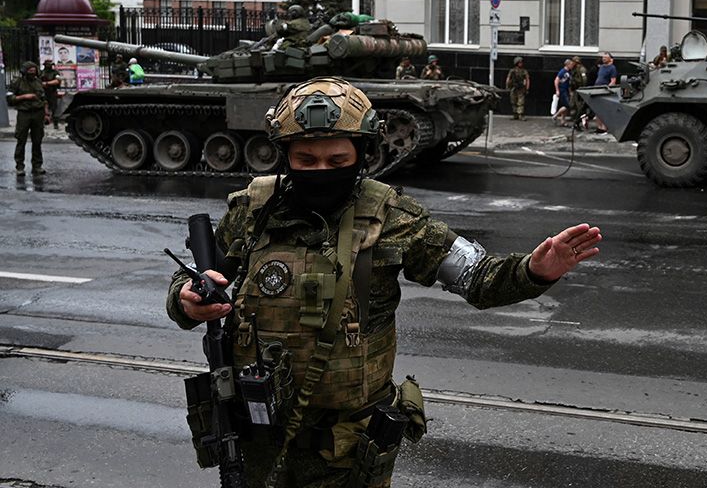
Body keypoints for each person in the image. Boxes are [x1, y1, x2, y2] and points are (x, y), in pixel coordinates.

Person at [165, 78, 601, 487]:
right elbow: (197, 281)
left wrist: (533, 270)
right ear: (286, 156)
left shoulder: (390, 217)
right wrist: (186, 300)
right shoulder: (253, 211)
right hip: (255, 436)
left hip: (346, 453)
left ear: (361, 155)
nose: (321, 170)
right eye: (306, 160)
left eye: (337, 161)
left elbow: (477, 278)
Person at [9, 61, 48, 175]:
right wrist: (24, 96)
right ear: (24, 71)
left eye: (34, 71)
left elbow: (44, 99)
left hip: (38, 113)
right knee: (21, 140)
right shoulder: (17, 82)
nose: (32, 72)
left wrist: (46, 114)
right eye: (30, 71)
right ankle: (19, 167)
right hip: (24, 113)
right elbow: (10, 98)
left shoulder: (38, 82)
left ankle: (37, 166)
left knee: (37, 140)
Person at [589, 52, 618, 133]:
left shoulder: (612, 68)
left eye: (605, 57)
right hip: (596, 89)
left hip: (604, 91)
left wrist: (607, 89)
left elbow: (613, 81)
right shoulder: (601, 67)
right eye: (603, 57)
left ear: (610, 59)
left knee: (604, 110)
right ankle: (599, 127)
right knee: (597, 110)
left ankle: (605, 128)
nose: (603, 58)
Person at [40, 59, 63, 129]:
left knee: (54, 109)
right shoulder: (41, 72)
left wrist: (47, 83)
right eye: (47, 64)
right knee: (42, 108)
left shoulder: (55, 72)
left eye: (50, 64)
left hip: (52, 92)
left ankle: (55, 123)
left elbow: (58, 81)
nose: (48, 65)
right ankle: (43, 122)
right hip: (43, 92)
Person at [568, 56, 588, 131]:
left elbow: (584, 80)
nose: (572, 63)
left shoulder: (581, 69)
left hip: (580, 90)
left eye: (573, 61)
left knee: (580, 108)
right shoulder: (574, 69)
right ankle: (575, 122)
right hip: (575, 90)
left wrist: (582, 90)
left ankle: (579, 122)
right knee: (573, 106)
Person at [553, 58, 572, 126]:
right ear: (567, 64)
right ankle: (556, 116)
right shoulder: (562, 71)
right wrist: (557, 90)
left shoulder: (569, 72)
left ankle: (563, 120)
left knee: (565, 106)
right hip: (562, 90)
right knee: (567, 105)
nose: (572, 65)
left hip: (566, 90)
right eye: (571, 64)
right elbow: (556, 80)